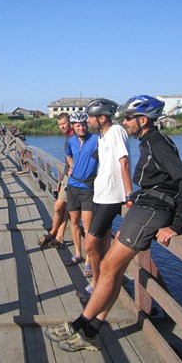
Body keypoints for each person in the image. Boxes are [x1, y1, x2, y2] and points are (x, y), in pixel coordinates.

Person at [45, 95, 182, 352]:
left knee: (108, 267)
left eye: (129, 118)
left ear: (143, 120)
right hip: (142, 208)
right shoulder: (149, 142)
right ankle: (91, 330)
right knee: (109, 269)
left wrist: (177, 225)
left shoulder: (157, 143)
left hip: (151, 211)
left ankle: (79, 325)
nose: (124, 122)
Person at [78, 98, 132, 302]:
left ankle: (97, 283)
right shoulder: (101, 136)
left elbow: (124, 161)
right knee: (101, 243)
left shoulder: (116, 131)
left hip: (111, 197)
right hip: (99, 195)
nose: (88, 120)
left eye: (91, 117)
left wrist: (128, 194)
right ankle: (108, 279)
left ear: (102, 118)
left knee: (90, 244)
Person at [63, 112, 99, 266]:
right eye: (77, 125)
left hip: (88, 188)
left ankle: (89, 260)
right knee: (75, 222)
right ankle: (78, 254)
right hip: (72, 186)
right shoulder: (70, 141)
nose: (81, 127)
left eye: (83, 124)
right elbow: (68, 155)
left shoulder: (96, 140)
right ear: (73, 126)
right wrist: (72, 167)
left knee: (88, 225)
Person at [38, 113, 74, 249]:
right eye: (59, 124)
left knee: (59, 206)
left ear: (69, 122)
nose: (62, 126)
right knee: (64, 208)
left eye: (64, 123)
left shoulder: (74, 137)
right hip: (67, 176)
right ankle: (59, 237)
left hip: (72, 177)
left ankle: (53, 233)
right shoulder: (69, 137)